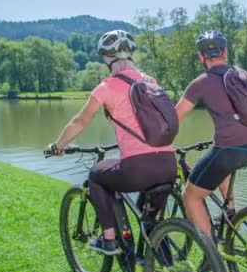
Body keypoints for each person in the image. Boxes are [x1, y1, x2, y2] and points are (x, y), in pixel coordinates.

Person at [45, 30, 176, 255]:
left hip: (137, 168)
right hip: (168, 164)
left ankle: (108, 240)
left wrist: (58, 146)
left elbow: (79, 121)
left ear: (106, 57)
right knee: (151, 222)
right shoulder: (151, 82)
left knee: (97, 176)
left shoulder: (106, 87)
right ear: (131, 54)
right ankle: (161, 269)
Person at [175, 30, 247, 239]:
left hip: (229, 149)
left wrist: (158, 141)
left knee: (190, 197)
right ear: (225, 52)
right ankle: (231, 216)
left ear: (201, 57)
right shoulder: (241, 75)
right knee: (221, 164)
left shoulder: (201, 83)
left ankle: (211, 258)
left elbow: (174, 118)